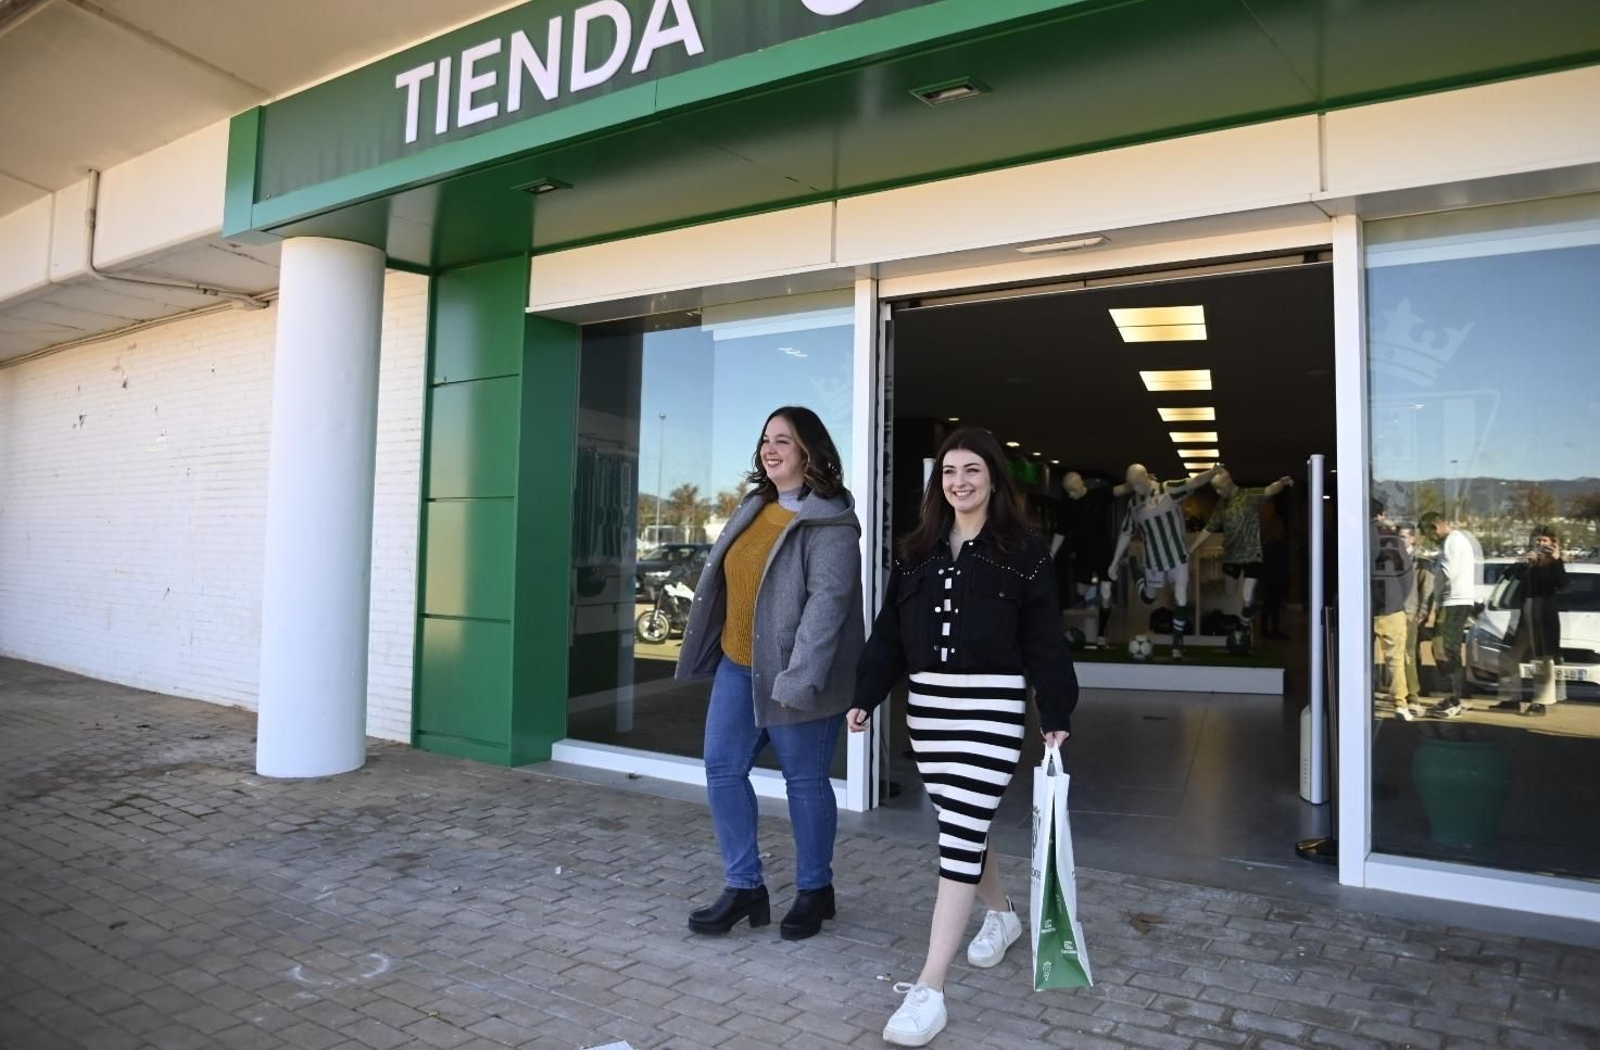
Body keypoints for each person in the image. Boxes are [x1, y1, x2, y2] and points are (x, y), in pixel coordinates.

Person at [849, 427, 1078, 1048]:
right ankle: (1002, 918)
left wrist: (1054, 709)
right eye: (949, 472)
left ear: (994, 480)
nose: (959, 482)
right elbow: (888, 634)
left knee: (959, 833)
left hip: (991, 711)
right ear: (938, 484)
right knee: (962, 823)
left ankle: (930, 988)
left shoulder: (1024, 550)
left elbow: (1043, 638)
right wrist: (865, 695)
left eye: (972, 470)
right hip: (929, 712)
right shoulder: (916, 550)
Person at [676, 407, 864, 941]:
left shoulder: (829, 521)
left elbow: (828, 606)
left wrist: (800, 679)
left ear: (809, 450)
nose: (770, 448)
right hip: (738, 668)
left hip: (796, 672)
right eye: (765, 440)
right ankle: (744, 887)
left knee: (804, 782)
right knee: (722, 770)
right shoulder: (755, 507)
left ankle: (814, 890)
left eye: (783, 440)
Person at [1205, 468, 1294, 644]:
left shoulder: (1248, 496)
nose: (1217, 492)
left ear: (1228, 482)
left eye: (1219, 488)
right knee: (1231, 592)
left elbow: (1268, 490)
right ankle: (1251, 616)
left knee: (1248, 595)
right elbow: (1210, 526)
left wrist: (1280, 484)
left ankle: (1246, 626)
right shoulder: (1222, 505)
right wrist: (1192, 547)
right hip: (1233, 557)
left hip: (1253, 557)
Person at [1494, 525, 1568, 716]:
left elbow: (1561, 583)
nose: (1540, 543)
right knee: (1508, 655)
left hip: (1543, 616)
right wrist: (1525, 563)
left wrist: (1556, 559)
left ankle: (1541, 701)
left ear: (1553, 544)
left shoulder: (1554, 564)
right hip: (1524, 616)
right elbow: (1510, 576)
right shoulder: (1529, 563)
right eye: (1538, 540)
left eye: (1545, 541)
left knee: (1542, 660)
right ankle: (1510, 698)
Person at [1420, 510, 1482, 718]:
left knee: (1444, 648)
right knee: (1447, 648)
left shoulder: (1452, 541)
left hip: (1454, 601)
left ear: (1435, 527)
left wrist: (1432, 569)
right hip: (1454, 600)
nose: (1432, 539)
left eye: (1430, 534)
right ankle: (1455, 696)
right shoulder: (1458, 540)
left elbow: (1447, 572)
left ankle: (1455, 698)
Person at [1371, 499, 1417, 720]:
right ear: (1381, 514)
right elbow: (1407, 575)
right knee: (1396, 658)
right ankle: (1400, 703)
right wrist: (1399, 598)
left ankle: (1361, 698)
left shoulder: (1351, 533)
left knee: (1358, 657)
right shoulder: (1390, 537)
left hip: (1361, 606)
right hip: (1391, 604)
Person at [1399, 525, 1435, 702]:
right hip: (1394, 612)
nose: (1400, 540)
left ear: (1412, 539)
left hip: (1410, 612)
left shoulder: (1421, 561)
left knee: (1409, 652)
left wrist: (1422, 612)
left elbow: (1427, 589)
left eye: (1404, 537)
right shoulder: (1394, 558)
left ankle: (1412, 692)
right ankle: (1401, 689)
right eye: (1398, 537)